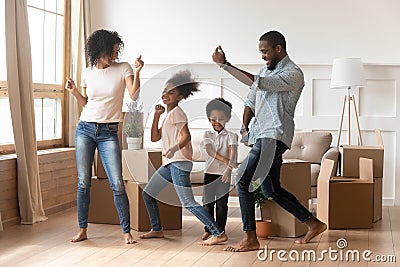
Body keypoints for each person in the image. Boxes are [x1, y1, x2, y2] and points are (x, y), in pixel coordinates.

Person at [212, 30, 327, 252]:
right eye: (260, 52)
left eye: (265, 51)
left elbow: (259, 83)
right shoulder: (263, 71)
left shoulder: (294, 73)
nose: (262, 56)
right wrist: (245, 127)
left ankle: (250, 238)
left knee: (243, 180)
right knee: (271, 189)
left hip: (274, 135)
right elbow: (251, 101)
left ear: (278, 49)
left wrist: (225, 65)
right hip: (261, 135)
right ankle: (314, 223)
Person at [65, 29, 144, 244]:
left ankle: (126, 232)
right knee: (83, 182)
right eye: (112, 52)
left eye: (117, 51)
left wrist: (137, 72)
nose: (115, 56)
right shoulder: (87, 72)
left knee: (117, 183)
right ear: (100, 51)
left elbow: (134, 95)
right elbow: (86, 102)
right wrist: (73, 92)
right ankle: (82, 229)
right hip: (85, 129)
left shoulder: (123, 68)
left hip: (109, 132)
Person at [139, 70, 228, 246]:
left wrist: (173, 149)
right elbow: (155, 137)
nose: (166, 95)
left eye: (171, 93)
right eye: (165, 91)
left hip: (179, 162)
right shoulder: (169, 114)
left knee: (187, 202)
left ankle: (218, 232)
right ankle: (157, 229)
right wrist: (157, 115)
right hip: (170, 163)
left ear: (180, 97)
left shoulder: (178, 112)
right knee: (148, 193)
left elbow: (185, 136)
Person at [201, 98, 238, 241]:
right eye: (213, 119)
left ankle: (220, 231)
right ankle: (209, 229)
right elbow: (209, 150)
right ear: (208, 118)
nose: (216, 122)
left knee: (222, 204)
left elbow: (232, 152)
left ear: (227, 118)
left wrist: (228, 169)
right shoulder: (207, 134)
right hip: (209, 172)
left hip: (224, 175)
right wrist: (226, 161)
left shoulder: (232, 136)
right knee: (207, 203)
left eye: (221, 119)